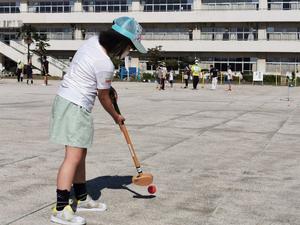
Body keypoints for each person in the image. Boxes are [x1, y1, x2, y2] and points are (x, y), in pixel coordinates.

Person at [49, 16, 147, 225]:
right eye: (130, 46)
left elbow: (96, 81)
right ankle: (60, 208)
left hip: (71, 102)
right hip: (74, 106)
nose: (129, 51)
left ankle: (82, 197)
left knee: (80, 154)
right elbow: (103, 97)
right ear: (120, 42)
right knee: (72, 158)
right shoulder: (106, 64)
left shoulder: (93, 42)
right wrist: (116, 116)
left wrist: (108, 88)